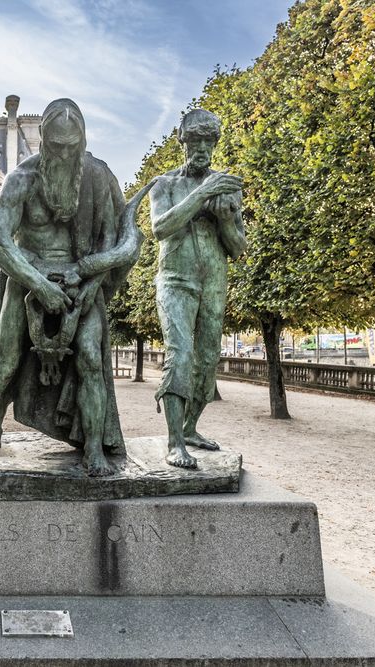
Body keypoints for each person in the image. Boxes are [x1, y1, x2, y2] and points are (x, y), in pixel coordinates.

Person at [0, 99, 141, 477]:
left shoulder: (98, 176)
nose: (64, 154)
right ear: (43, 138)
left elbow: (121, 242)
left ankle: (94, 446)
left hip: (80, 282)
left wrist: (89, 278)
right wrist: (37, 284)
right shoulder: (21, 178)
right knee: (7, 364)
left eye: (72, 146)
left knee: (90, 359)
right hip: (27, 277)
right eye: (56, 145)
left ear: (82, 140)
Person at [148, 108, 246, 469]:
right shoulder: (165, 184)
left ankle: (190, 428)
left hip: (214, 281)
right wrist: (202, 195)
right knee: (181, 354)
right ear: (183, 143)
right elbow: (161, 227)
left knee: (206, 362)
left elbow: (237, 246)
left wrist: (223, 218)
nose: (202, 149)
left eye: (208, 142)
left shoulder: (228, 185)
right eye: (195, 142)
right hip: (175, 279)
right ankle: (174, 442)